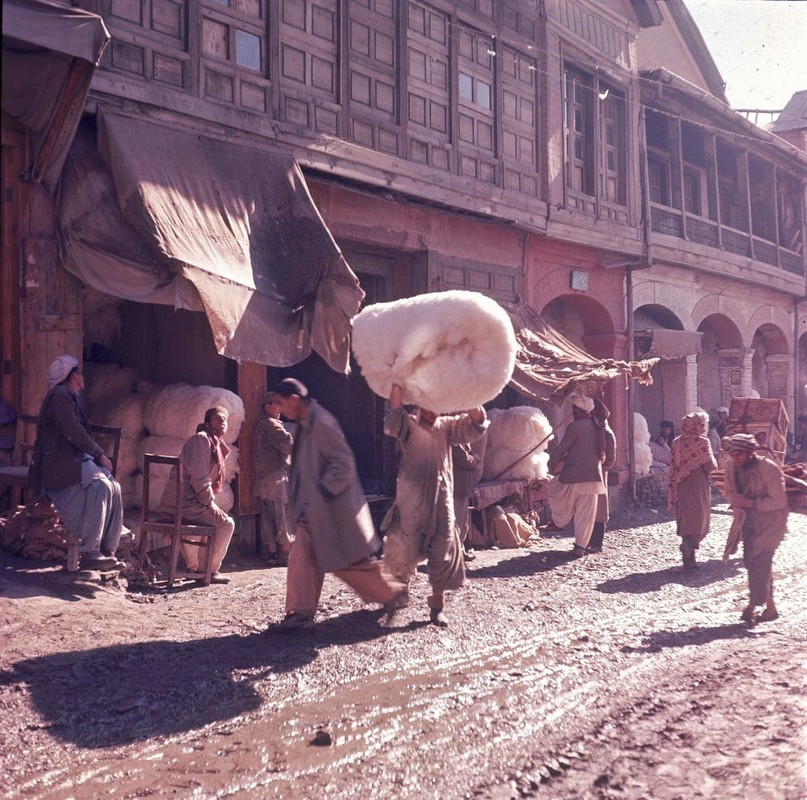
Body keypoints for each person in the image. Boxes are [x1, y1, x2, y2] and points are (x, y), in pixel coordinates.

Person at [272, 378, 405, 630]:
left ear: (295, 400)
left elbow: (343, 464)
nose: (280, 408)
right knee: (303, 557)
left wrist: (322, 492)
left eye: (281, 402)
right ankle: (300, 612)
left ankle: (393, 593)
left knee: (350, 565)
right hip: (315, 510)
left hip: (333, 511)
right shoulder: (306, 422)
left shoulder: (322, 423)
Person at [382, 383, 488, 627]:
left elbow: (476, 425)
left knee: (443, 546)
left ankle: (437, 606)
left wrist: (466, 393)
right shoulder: (408, 425)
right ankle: (400, 592)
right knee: (405, 545)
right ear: (419, 404)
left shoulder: (447, 428)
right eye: (429, 406)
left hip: (442, 498)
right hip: (411, 498)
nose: (434, 412)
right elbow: (392, 418)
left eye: (438, 407)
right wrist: (398, 383)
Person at [28, 355, 124, 571]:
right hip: (60, 462)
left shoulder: (70, 396)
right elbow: (72, 431)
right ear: (72, 376)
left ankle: (107, 549)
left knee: (114, 487)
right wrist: (99, 453)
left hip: (75, 458)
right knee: (100, 486)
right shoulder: (59, 396)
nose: (82, 376)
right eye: (79, 373)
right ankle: (90, 550)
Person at [158, 406, 235, 583]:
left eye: (225, 419)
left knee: (216, 521)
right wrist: (210, 503)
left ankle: (199, 569)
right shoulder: (201, 440)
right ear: (207, 422)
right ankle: (207, 571)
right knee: (226, 524)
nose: (222, 422)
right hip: (181, 504)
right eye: (217, 418)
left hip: (189, 503)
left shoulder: (214, 443)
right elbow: (199, 479)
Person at [721, 433, 788, 625]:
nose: (735, 458)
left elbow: (779, 500)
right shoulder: (732, 467)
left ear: (751, 452)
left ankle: (752, 604)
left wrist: (750, 502)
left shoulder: (769, 469)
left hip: (772, 523)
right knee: (753, 562)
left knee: (760, 561)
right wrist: (736, 503)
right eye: (732, 454)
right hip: (749, 522)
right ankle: (771, 607)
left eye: (739, 454)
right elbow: (730, 490)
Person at [542, 395, 607, 557]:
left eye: (574, 409)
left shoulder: (576, 426)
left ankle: (559, 522)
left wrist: (550, 464)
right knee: (585, 514)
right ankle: (580, 546)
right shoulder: (597, 426)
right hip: (593, 477)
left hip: (574, 476)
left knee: (554, 490)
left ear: (579, 410)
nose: (572, 411)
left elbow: (562, 448)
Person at [667, 412, 718, 569]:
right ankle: (690, 546)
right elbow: (710, 467)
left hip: (680, 486)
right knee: (699, 517)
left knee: (685, 516)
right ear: (697, 425)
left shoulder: (676, 442)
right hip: (697, 485)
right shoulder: (702, 442)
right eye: (702, 424)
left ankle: (687, 548)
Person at [253, 391, 294, 566]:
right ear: (267, 406)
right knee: (282, 515)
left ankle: (270, 553)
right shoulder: (271, 424)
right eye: (276, 405)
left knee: (268, 516)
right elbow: (288, 444)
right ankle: (284, 554)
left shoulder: (261, 424)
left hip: (264, 477)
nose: (280, 409)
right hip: (276, 476)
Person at [451, 429, 488, 562]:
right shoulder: (454, 441)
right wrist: (475, 459)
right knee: (457, 522)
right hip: (457, 488)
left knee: (462, 522)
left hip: (461, 488)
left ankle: (459, 551)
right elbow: (464, 459)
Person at [587, 398, 616, 553]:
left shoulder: (605, 433)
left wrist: (600, 468)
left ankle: (597, 543)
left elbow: (610, 460)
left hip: (599, 476)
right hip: (591, 475)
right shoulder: (596, 430)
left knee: (599, 510)